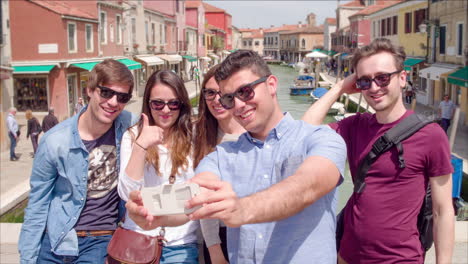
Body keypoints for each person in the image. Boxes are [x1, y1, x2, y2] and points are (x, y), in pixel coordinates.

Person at [126, 50, 347, 263]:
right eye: (230, 99)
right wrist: (154, 213)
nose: (239, 105)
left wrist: (242, 209)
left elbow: (307, 186)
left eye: (245, 91)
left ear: (271, 85)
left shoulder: (321, 139)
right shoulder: (222, 156)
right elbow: (197, 197)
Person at [302, 38, 454, 264]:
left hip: (401, 259)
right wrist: (340, 87)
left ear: (402, 78)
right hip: (347, 256)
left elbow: (443, 211)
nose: (374, 88)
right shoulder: (354, 126)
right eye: (364, 81)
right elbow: (305, 132)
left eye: (383, 78)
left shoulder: (431, 135)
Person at [19, 59, 136, 264]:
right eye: (106, 93)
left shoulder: (130, 126)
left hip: (100, 238)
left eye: (122, 97)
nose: (113, 102)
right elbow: (37, 203)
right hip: (56, 237)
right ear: (90, 90)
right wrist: (27, 258)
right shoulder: (55, 141)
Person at [118, 70, 204, 263]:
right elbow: (126, 193)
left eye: (173, 103)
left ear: (181, 105)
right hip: (138, 238)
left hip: (180, 243)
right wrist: (141, 146)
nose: (165, 110)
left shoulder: (195, 137)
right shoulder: (132, 136)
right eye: (158, 103)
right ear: (148, 104)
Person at [194, 64, 245, 264]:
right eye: (210, 93)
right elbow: (206, 200)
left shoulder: (253, 135)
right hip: (215, 239)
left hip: (248, 231)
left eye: (222, 93)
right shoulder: (199, 135)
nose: (216, 100)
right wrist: (215, 252)